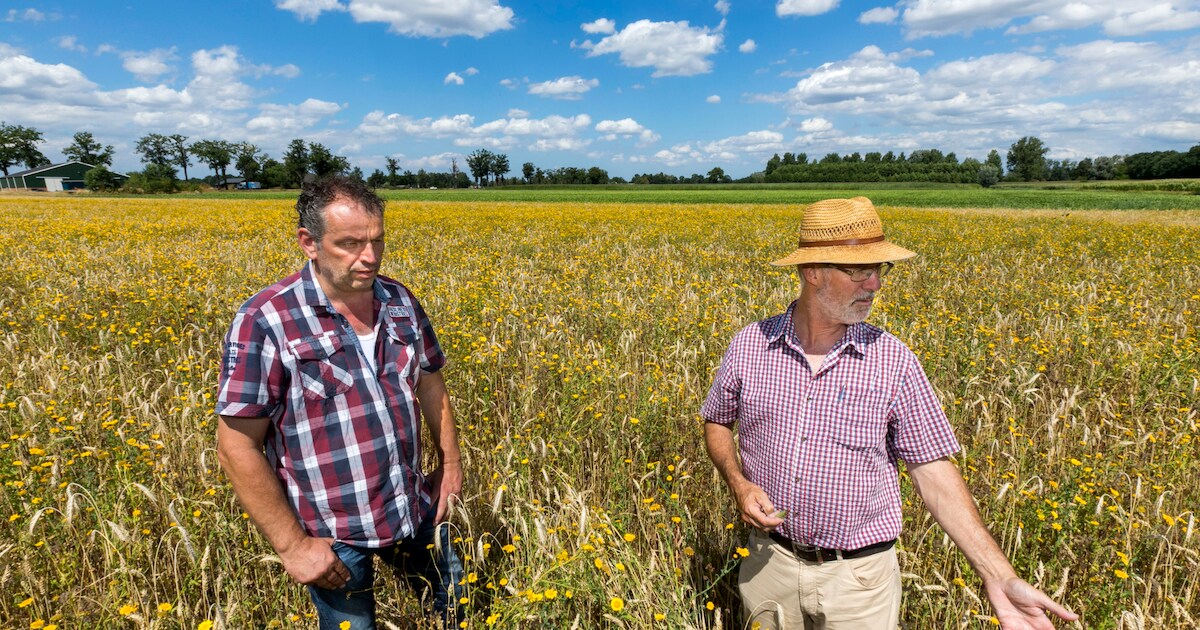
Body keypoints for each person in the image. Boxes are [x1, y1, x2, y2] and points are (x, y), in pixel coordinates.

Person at [701, 197, 1077, 629]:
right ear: (813, 273)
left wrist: (999, 576)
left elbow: (933, 471)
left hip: (858, 583)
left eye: (879, 270)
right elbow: (716, 419)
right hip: (768, 566)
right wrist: (739, 483)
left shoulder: (893, 361)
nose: (874, 284)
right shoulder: (751, 344)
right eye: (859, 271)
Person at [216, 175, 464, 629]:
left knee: (457, 612)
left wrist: (449, 465)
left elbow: (431, 383)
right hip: (331, 530)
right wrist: (293, 548)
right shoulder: (265, 320)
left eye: (377, 241)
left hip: (414, 504)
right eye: (349, 243)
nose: (369, 257)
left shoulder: (400, 301)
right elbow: (236, 445)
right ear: (308, 242)